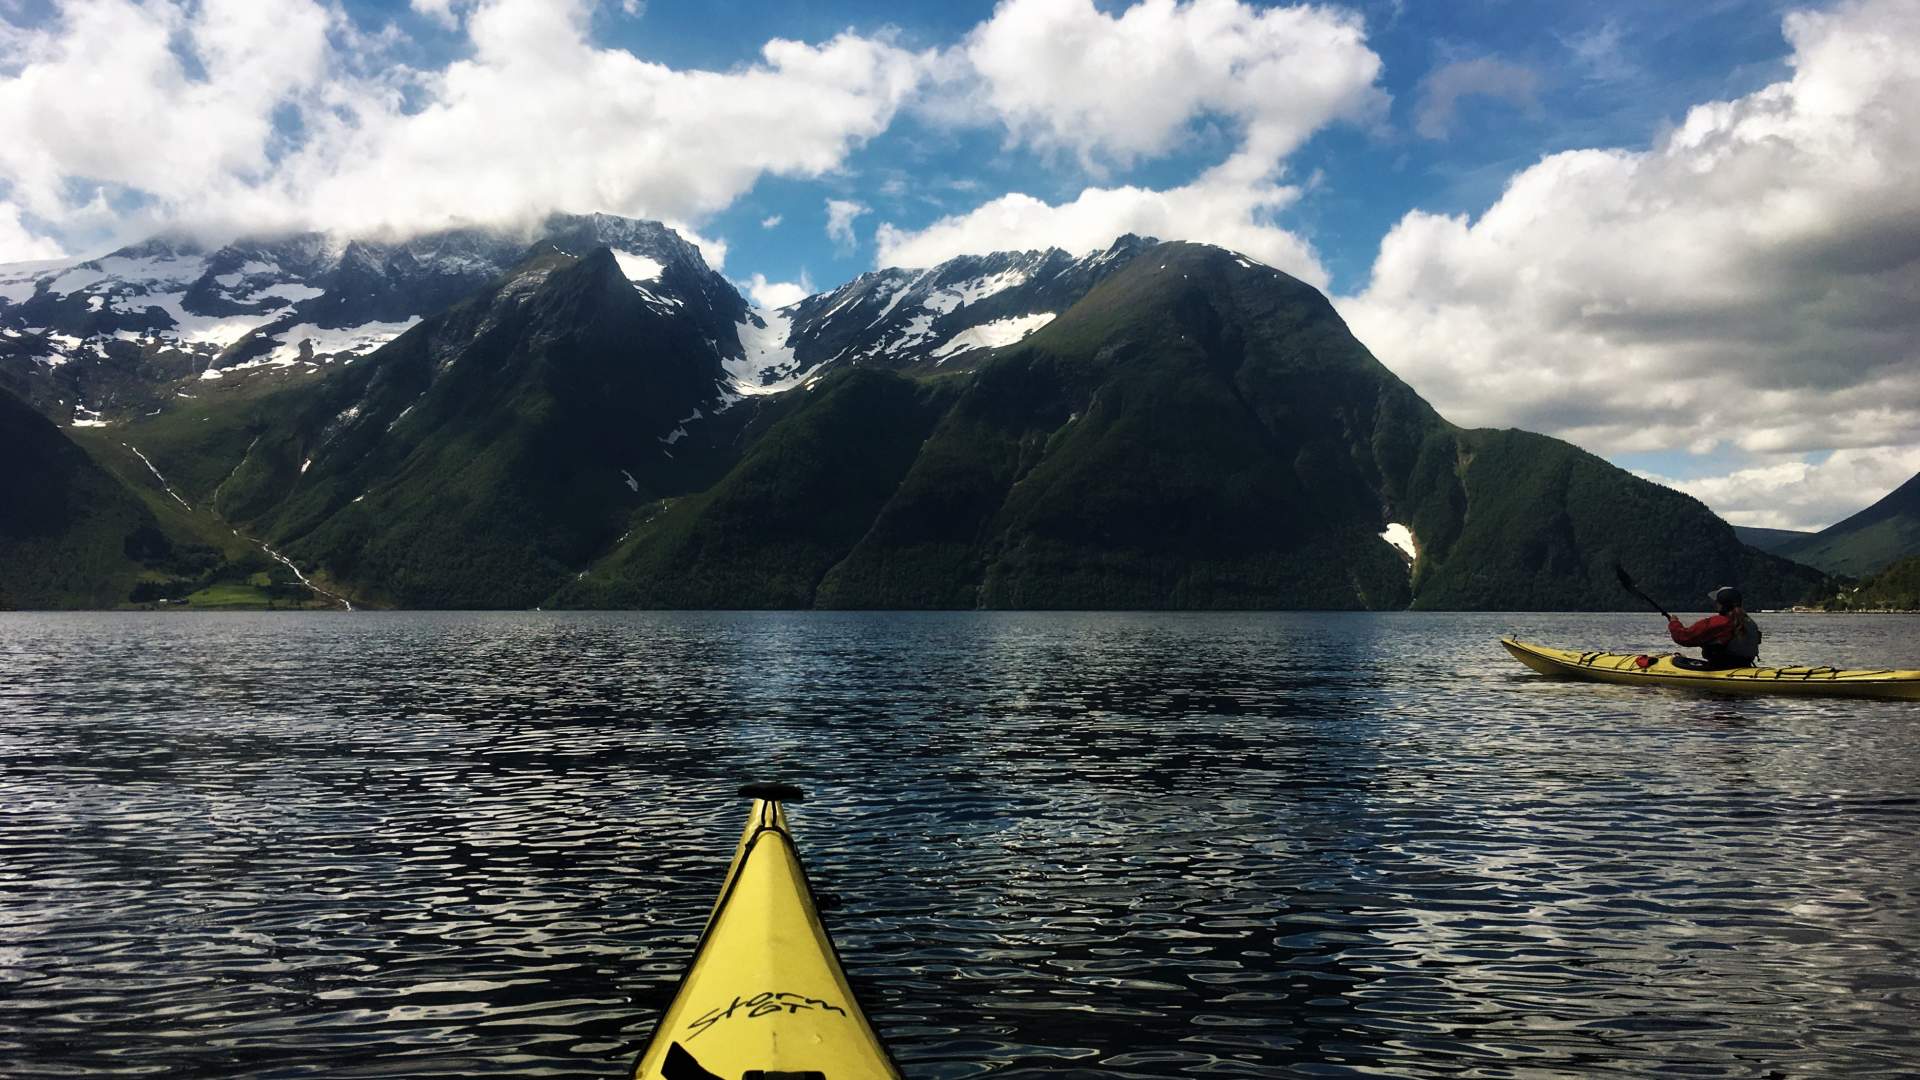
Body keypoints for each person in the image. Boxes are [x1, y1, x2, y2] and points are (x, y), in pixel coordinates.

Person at [1668, 586, 1762, 669]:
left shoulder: (1719, 622)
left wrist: (1674, 622)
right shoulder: (1750, 623)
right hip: (1745, 665)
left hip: (1720, 667)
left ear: (1721, 604)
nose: (1716, 604)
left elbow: (1684, 637)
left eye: (1717, 602)